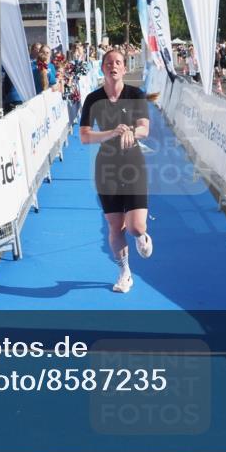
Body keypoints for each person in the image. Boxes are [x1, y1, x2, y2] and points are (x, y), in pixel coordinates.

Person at [79, 49, 153, 294]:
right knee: (115, 227)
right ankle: (124, 273)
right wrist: (110, 133)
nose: (114, 66)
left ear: (124, 68)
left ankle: (142, 236)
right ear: (103, 68)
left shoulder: (135, 94)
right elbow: (84, 136)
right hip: (106, 166)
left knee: (134, 227)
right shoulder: (93, 99)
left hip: (132, 165)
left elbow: (145, 128)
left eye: (118, 62)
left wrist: (132, 130)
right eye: (109, 62)